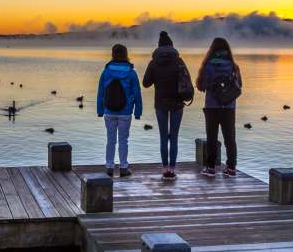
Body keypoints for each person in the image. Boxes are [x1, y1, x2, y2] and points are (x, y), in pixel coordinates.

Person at [142, 31, 189, 180]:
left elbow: (145, 83)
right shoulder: (179, 61)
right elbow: (187, 81)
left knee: (163, 137)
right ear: (172, 46)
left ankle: (164, 169)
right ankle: (172, 169)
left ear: (158, 47)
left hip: (160, 104)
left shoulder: (154, 62)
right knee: (174, 137)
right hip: (177, 104)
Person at [196, 37, 241, 177]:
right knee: (230, 138)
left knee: (211, 137)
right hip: (229, 107)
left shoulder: (208, 66)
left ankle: (210, 168)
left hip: (212, 106)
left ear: (212, 49)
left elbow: (201, 86)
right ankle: (231, 168)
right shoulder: (233, 66)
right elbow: (239, 86)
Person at [97, 43, 143, 177]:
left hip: (109, 111)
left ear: (112, 55)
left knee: (110, 140)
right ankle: (123, 167)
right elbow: (137, 93)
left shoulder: (106, 72)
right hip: (125, 112)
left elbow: (100, 92)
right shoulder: (131, 73)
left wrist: (100, 110)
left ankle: (109, 167)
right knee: (123, 140)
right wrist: (138, 112)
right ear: (126, 55)